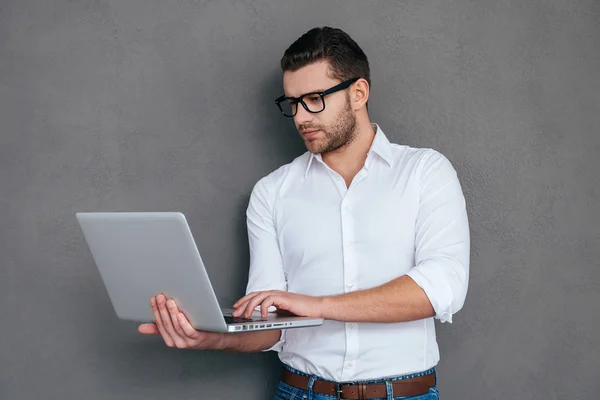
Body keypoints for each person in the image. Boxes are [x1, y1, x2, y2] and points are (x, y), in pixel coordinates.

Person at [138, 26, 470, 400]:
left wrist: (316, 305)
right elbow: (271, 325)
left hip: (404, 393)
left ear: (358, 93)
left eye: (314, 98)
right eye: (293, 103)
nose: (300, 117)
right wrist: (210, 338)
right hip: (300, 392)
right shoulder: (272, 193)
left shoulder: (426, 172)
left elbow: (443, 287)